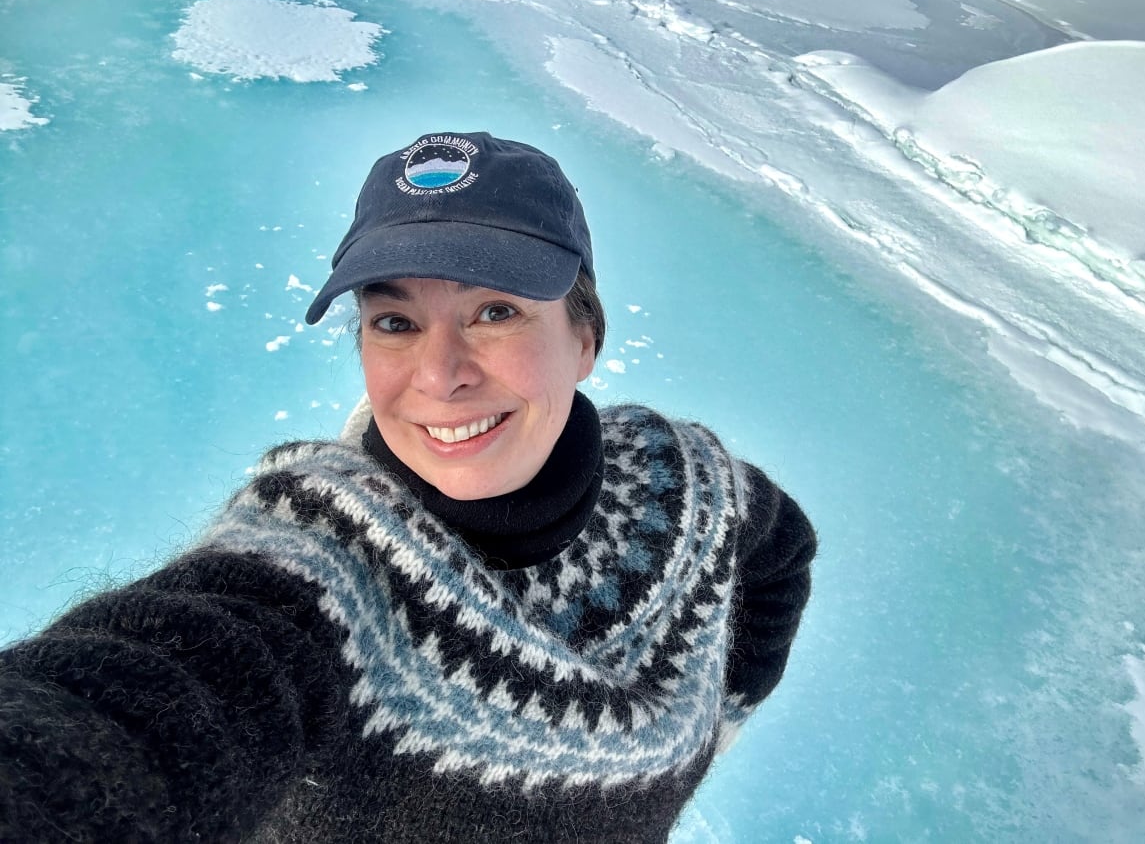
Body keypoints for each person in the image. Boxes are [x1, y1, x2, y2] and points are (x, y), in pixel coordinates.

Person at [0, 131, 816, 842]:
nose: (439, 374)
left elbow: (781, 555)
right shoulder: (319, 568)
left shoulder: (685, 482)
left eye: (495, 311)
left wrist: (716, 729)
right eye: (395, 322)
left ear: (586, 339)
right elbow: (135, 706)